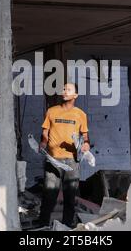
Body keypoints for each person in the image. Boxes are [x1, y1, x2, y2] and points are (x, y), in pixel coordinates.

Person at [38, 83, 90, 228]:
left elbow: (85, 136)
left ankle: (67, 227)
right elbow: (45, 131)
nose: (64, 91)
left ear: (75, 95)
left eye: (68, 89)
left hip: (72, 161)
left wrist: (86, 144)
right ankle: (42, 226)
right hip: (53, 160)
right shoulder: (51, 111)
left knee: (70, 197)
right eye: (63, 89)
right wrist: (43, 142)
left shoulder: (80, 114)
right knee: (49, 196)